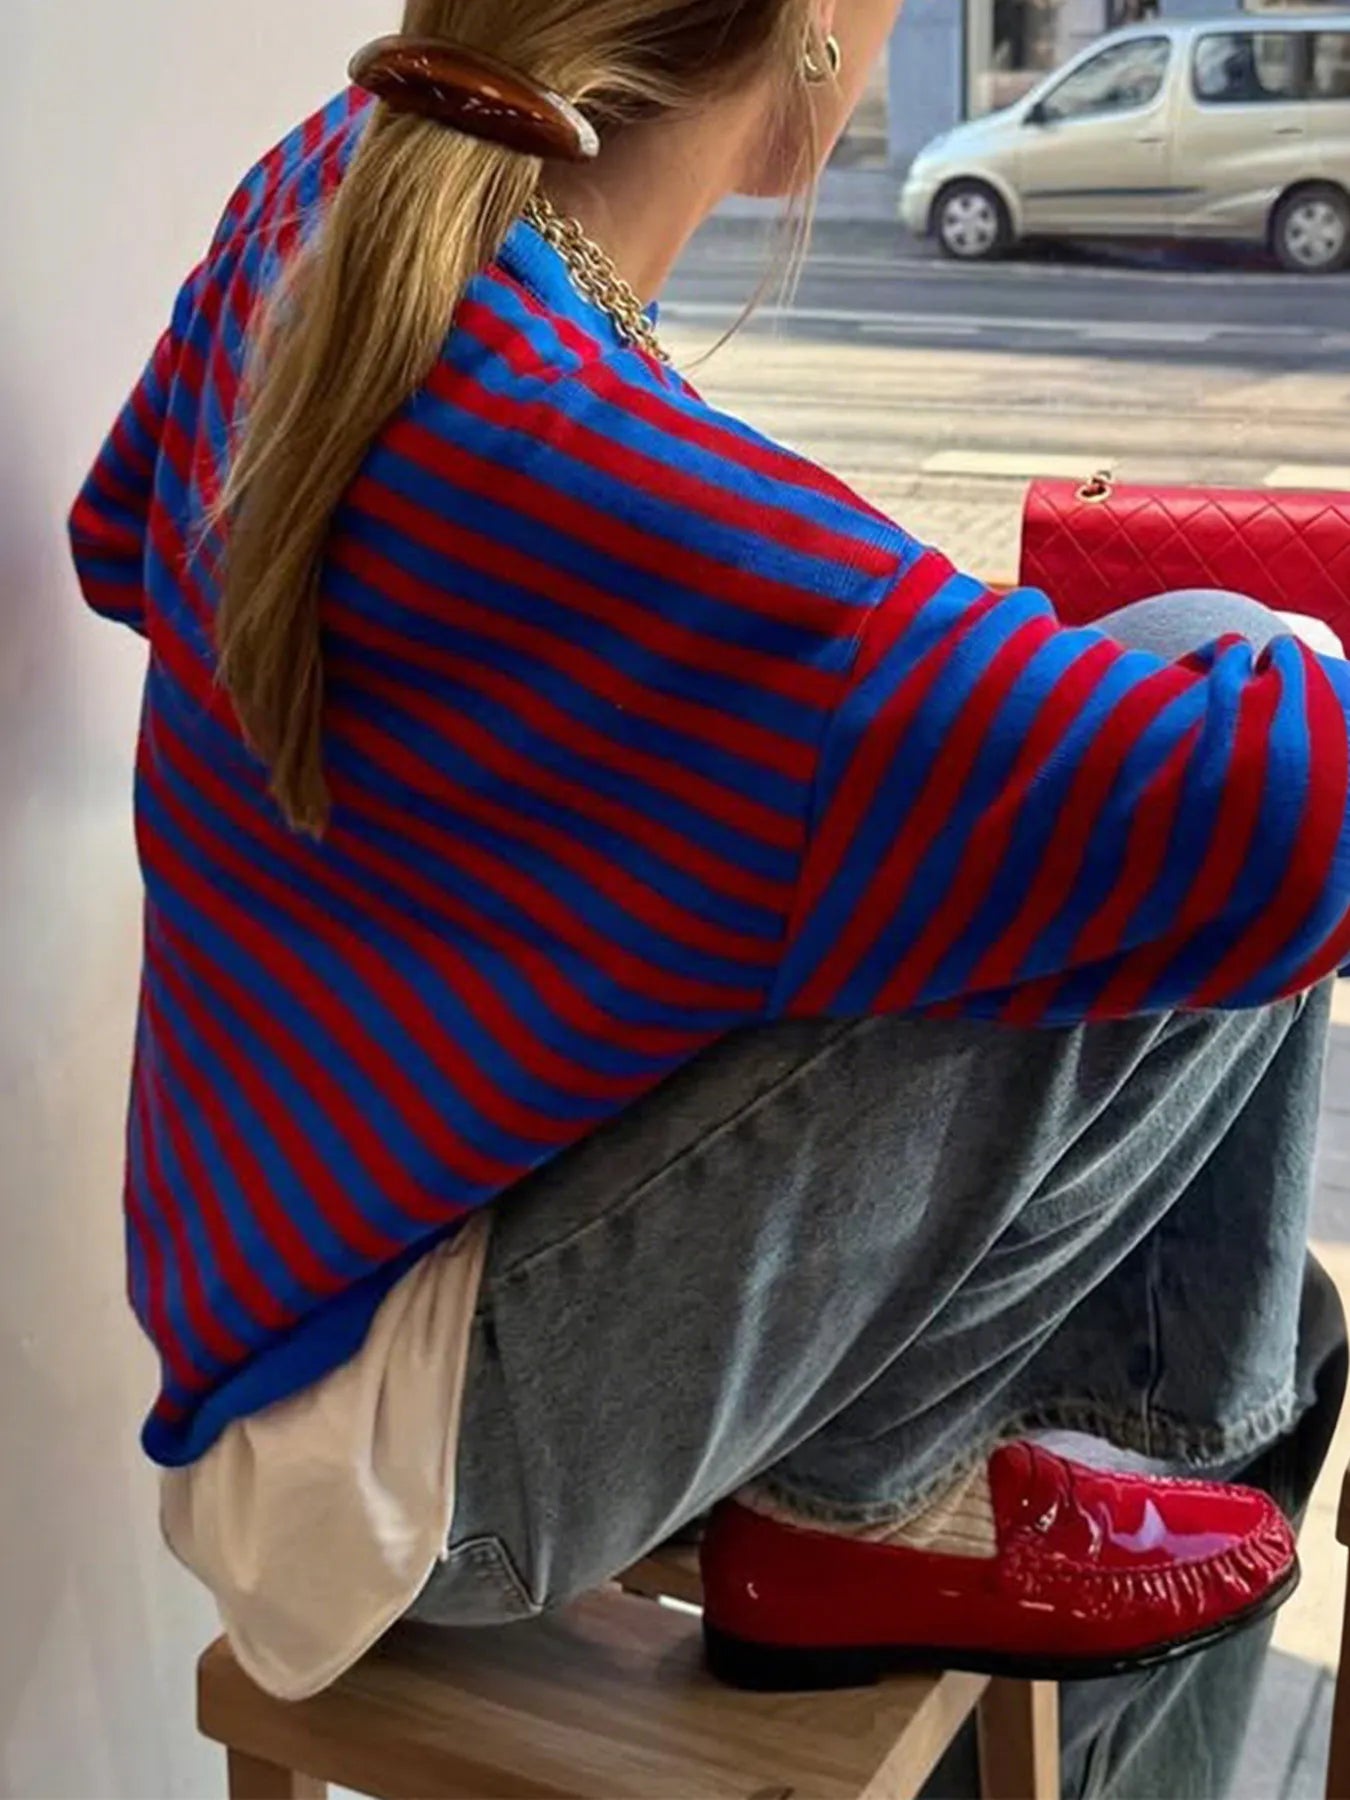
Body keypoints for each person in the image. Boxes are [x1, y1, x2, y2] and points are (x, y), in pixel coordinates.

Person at [69, 1, 1350, 1789]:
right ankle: (926, 1510)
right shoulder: (596, 470)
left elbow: (114, 519)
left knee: (1281, 1312)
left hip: (285, 1328)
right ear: (814, 38)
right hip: (430, 1486)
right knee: (1238, 685)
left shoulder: (335, 194)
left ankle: (1083, 1472)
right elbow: (1282, 816)